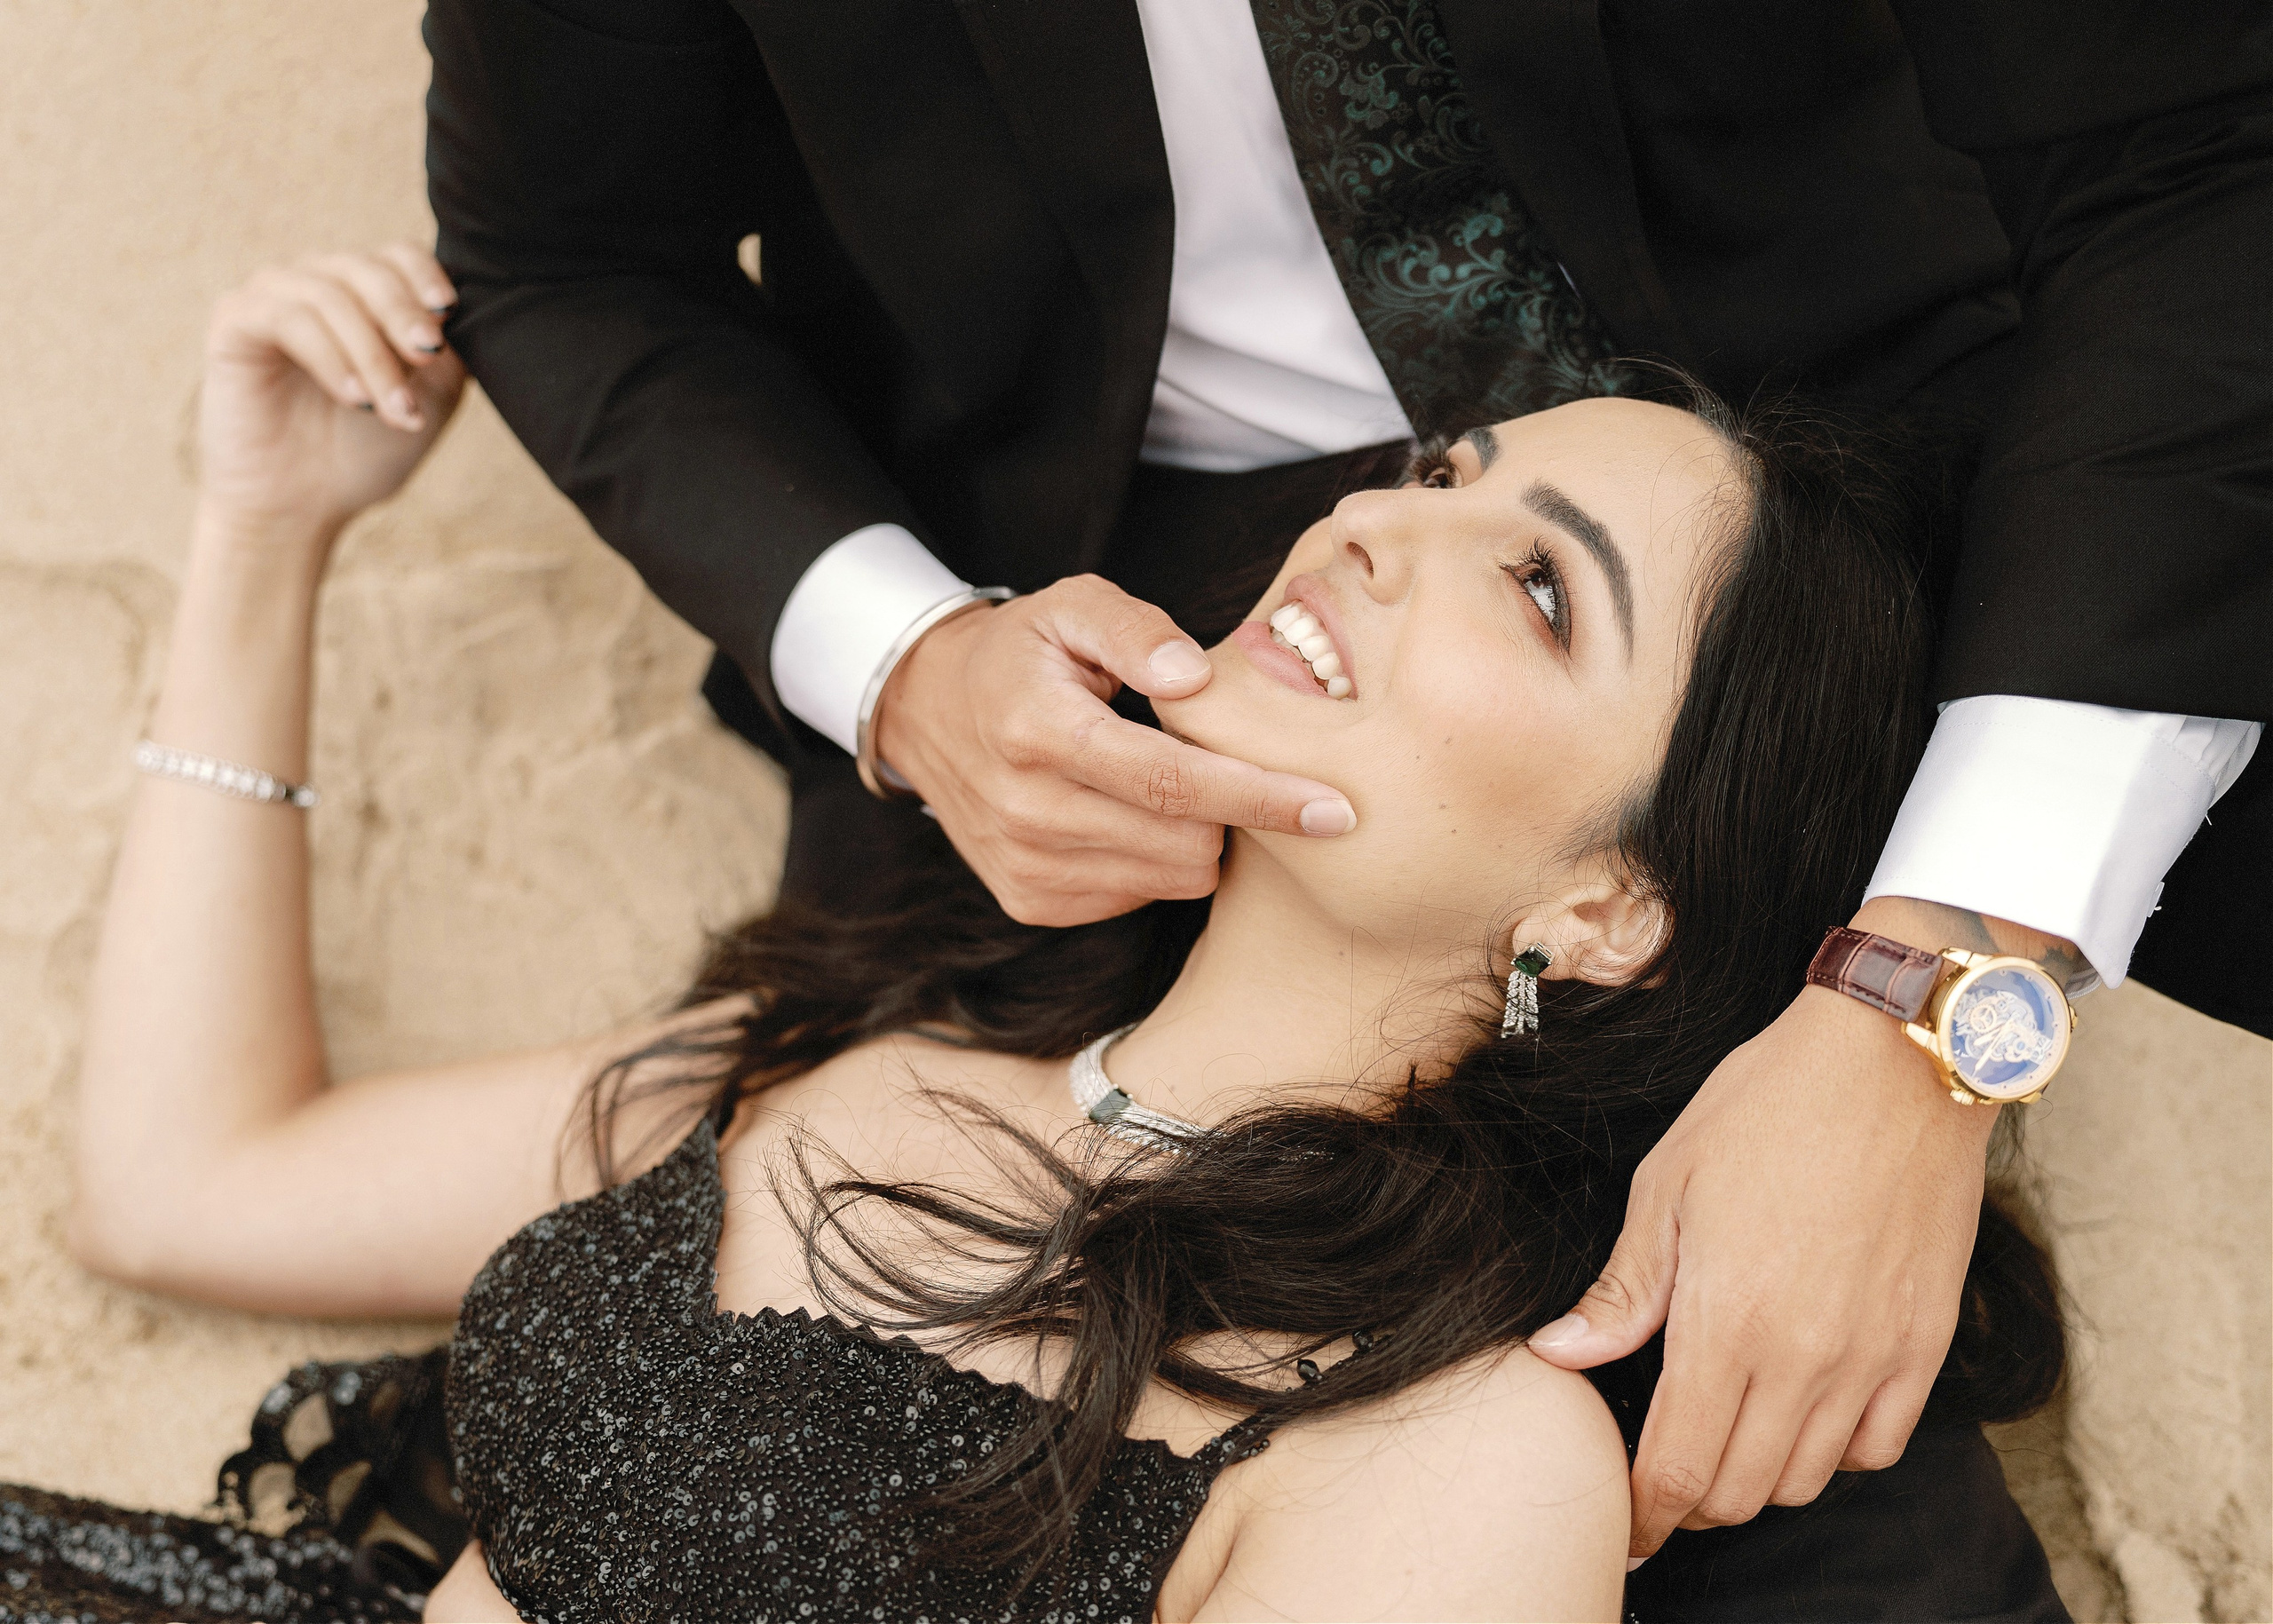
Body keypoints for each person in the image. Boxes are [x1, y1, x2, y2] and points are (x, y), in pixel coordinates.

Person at [423, 0, 2269, 1587]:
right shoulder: (856, 1102)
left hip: (1881, 482)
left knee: (1770, 1450)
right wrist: (905, 665)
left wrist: (1931, 999)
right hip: (1096, 562)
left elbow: (2199, 169)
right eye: (1422, 491)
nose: (1384, 517)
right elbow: (562, 254)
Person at [3, 250, 2068, 1621]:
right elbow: (187, 1183)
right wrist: (263, 531)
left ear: (1611, 905)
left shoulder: (1460, 1456)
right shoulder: (884, 1042)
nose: (1372, 523)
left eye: (1534, 589)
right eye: (1437, 471)